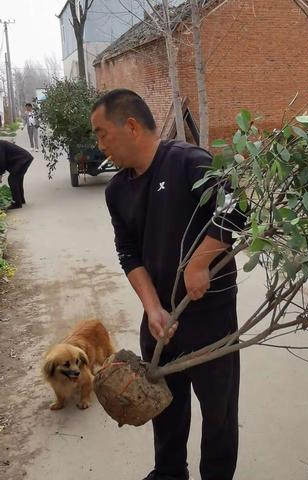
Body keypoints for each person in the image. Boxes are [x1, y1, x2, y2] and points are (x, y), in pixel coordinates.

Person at [91, 89, 244, 480]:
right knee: (163, 400)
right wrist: (152, 307)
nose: (99, 143)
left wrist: (199, 262)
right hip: (161, 315)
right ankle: (170, 471)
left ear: (130, 126)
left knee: (218, 409)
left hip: (209, 313)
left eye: (102, 133)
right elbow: (128, 252)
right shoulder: (116, 190)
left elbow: (236, 208)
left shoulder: (188, 162)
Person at [0, 140, 33, 209]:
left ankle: (17, 203)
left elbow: (1, 161)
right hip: (25, 158)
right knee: (18, 180)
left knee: (12, 180)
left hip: (22, 160)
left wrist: (0, 174)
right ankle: (21, 200)